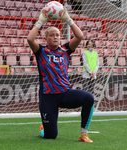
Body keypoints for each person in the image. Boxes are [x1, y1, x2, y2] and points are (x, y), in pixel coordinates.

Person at [27, 7, 94, 143]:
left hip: (64, 94)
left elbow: (80, 36)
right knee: (51, 136)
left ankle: (83, 134)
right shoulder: (41, 51)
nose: (55, 37)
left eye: (57, 34)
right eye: (51, 35)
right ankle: (43, 128)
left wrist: (67, 19)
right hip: (47, 98)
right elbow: (30, 38)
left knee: (89, 98)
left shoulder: (65, 50)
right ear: (46, 38)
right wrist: (41, 20)